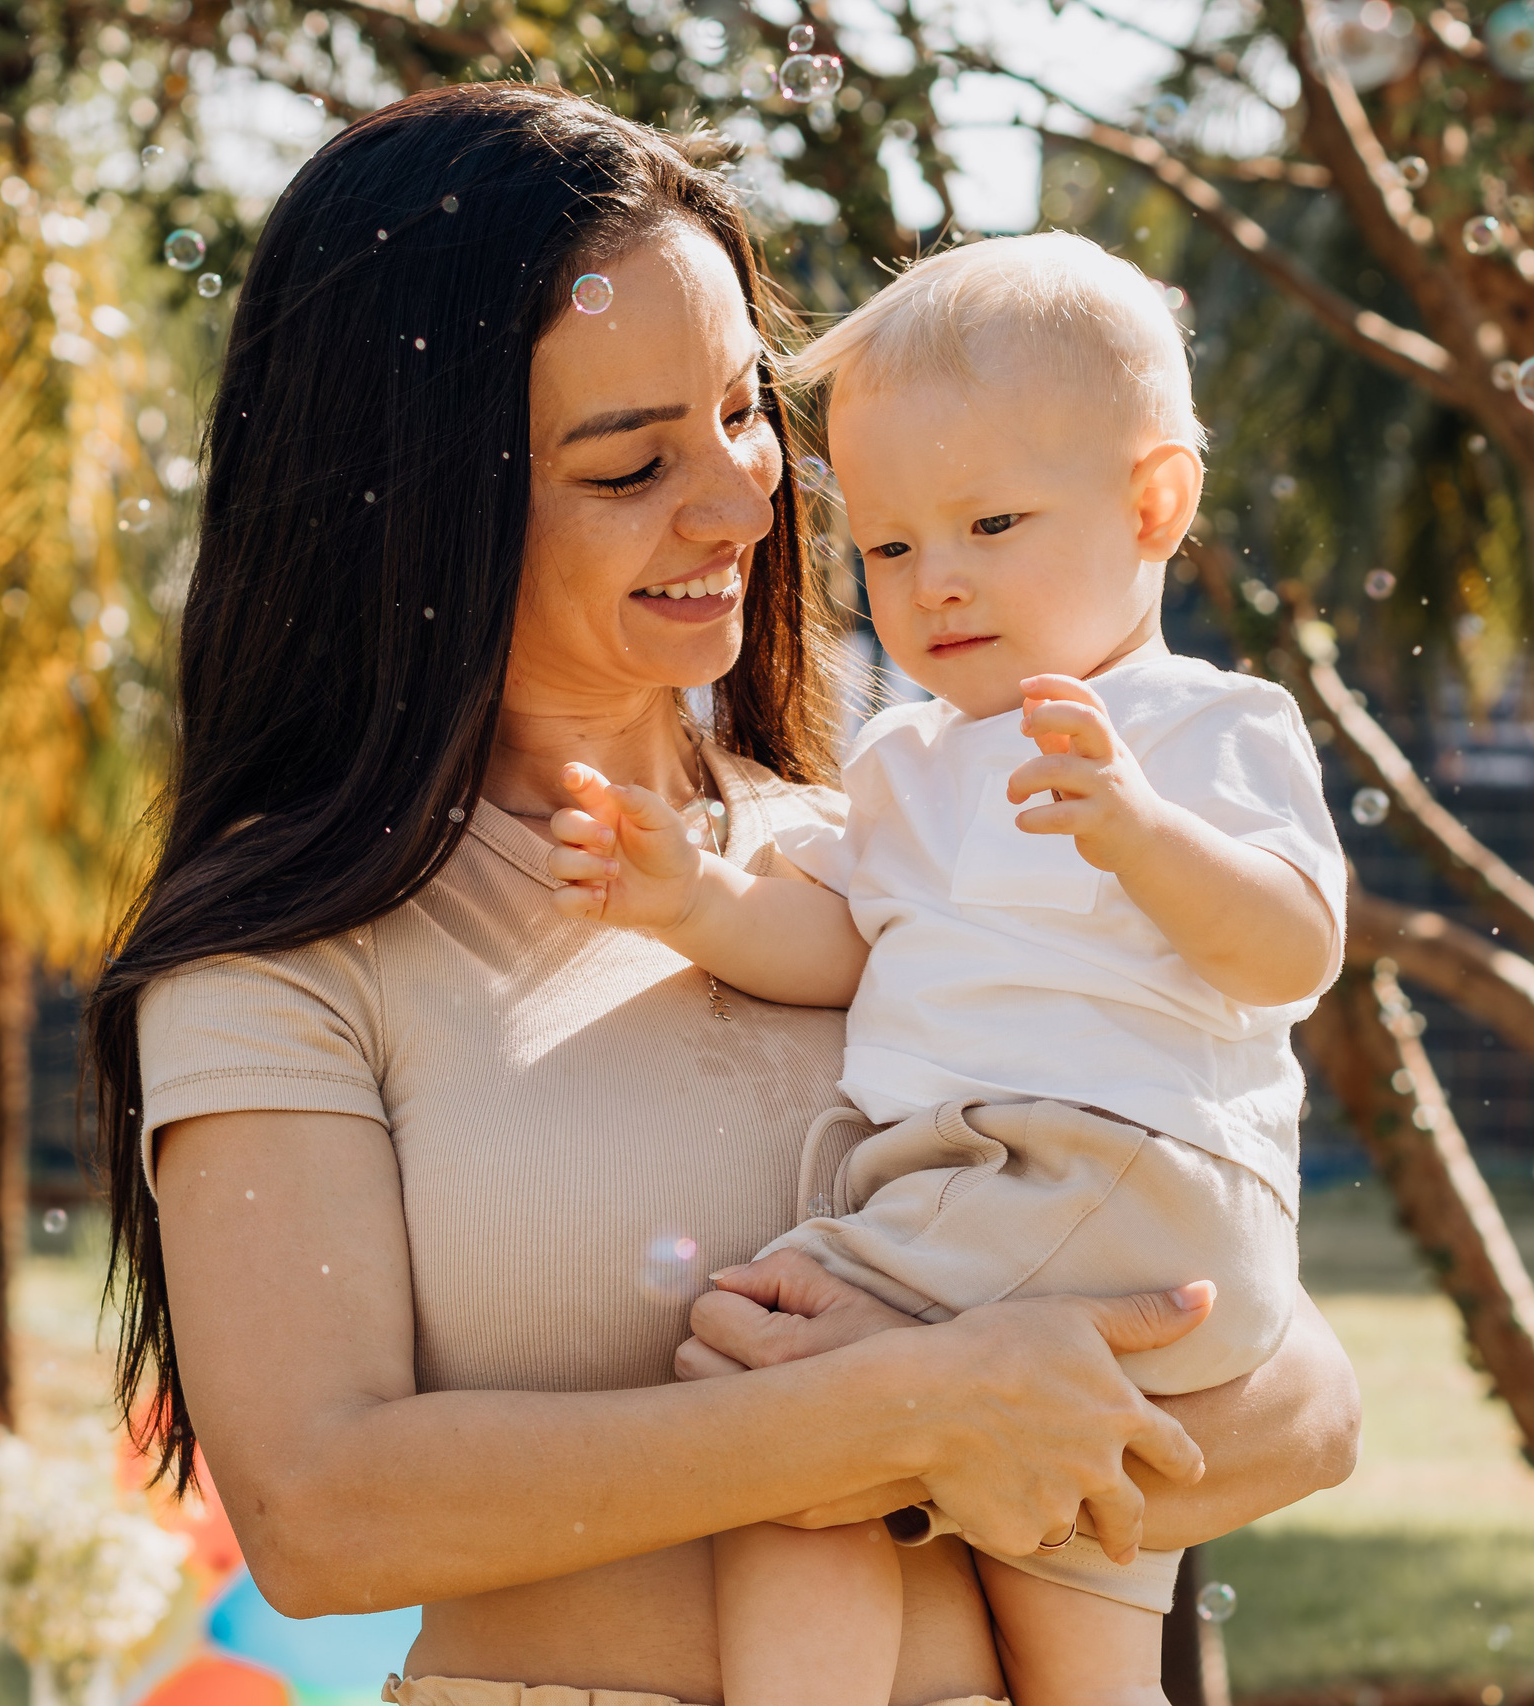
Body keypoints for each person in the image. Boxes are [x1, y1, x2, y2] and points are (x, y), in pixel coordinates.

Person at [85, 83, 1362, 1706]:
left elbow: (1308, 1404)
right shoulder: (290, 953)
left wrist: (999, 1404)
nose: (743, 501)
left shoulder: (906, 849)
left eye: (746, 412)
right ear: (417, 501)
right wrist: (899, 1410)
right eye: (632, 462)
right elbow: (322, 1513)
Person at [546, 232, 1340, 1706]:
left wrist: (1144, 835)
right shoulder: (908, 757)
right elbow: (850, 949)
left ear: (1154, 504)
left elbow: (1292, 950)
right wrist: (698, 903)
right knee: (1078, 1610)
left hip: (1099, 1168)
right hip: (1060, 1212)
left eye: (991, 524)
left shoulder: (1195, 724)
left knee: (777, 1406)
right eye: (894, 548)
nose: (938, 585)